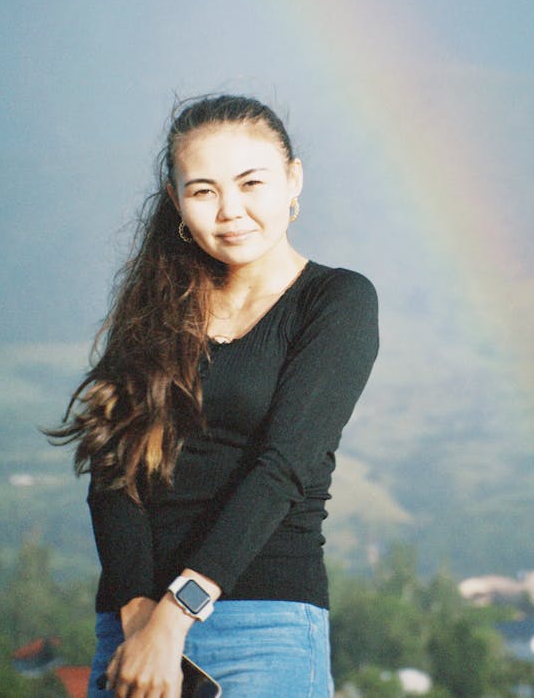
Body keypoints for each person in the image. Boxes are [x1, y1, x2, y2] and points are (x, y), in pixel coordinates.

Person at [50, 94, 379, 698]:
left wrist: (175, 617)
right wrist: (137, 618)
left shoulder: (336, 301)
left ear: (292, 180)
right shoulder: (153, 312)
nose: (231, 211)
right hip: (130, 634)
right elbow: (112, 471)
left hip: (263, 625)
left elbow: (284, 468)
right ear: (176, 202)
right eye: (204, 191)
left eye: (251, 183)